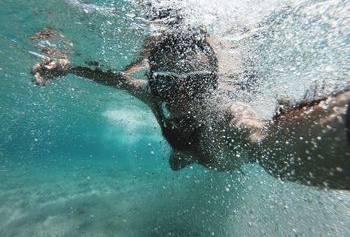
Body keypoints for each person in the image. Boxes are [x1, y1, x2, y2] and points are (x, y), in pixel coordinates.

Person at [30, 25, 350, 190]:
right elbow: (114, 79)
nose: (181, 98)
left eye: (196, 84)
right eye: (168, 82)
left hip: (222, 160)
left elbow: (265, 139)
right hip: (190, 152)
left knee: (179, 159)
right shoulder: (153, 95)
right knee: (177, 160)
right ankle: (183, 152)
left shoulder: (229, 114)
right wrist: (70, 67)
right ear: (155, 82)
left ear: (212, 84)